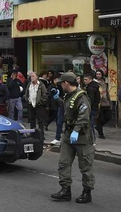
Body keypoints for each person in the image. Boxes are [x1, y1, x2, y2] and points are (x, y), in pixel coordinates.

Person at [51, 72, 94, 204]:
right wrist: (57, 99)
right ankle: (65, 190)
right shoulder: (68, 96)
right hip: (68, 135)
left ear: (66, 83)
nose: (60, 86)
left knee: (85, 166)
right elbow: (69, 109)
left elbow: (84, 116)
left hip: (82, 137)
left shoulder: (82, 97)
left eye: (61, 83)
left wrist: (76, 131)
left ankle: (87, 193)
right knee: (64, 163)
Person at [24, 72, 48, 138]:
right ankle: (33, 134)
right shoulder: (29, 84)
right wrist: (27, 99)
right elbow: (26, 93)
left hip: (39, 105)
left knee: (40, 121)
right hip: (31, 104)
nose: (32, 78)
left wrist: (40, 102)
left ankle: (41, 135)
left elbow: (45, 94)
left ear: (37, 77)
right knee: (32, 120)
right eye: (31, 76)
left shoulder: (40, 85)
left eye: (33, 76)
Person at [83, 72, 100, 141]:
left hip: (91, 108)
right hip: (94, 107)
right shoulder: (94, 86)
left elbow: (90, 99)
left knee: (90, 124)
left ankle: (92, 139)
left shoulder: (90, 88)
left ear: (90, 79)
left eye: (86, 79)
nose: (84, 81)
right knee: (90, 123)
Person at [95, 70, 111, 139]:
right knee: (100, 119)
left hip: (106, 103)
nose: (98, 75)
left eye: (99, 74)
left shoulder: (104, 83)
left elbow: (107, 92)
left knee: (108, 117)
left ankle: (98, 127)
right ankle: (101, 133)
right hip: (99, 103)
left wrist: (109, 100)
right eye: (97, 74)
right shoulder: (94, 83)